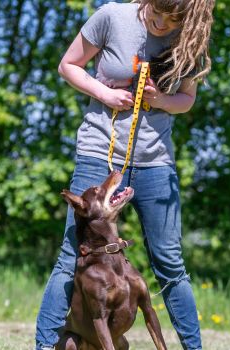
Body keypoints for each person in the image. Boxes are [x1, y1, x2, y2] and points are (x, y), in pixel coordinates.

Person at [35, 0, 214, 349]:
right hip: (98, 152)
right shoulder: (111, 16)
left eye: (171, 20)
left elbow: (187, 100)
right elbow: (68, 65)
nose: (161, 24)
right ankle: (45, 346)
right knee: (71, 256)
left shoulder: (190, 39)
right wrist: (104, 93)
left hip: (155, 160)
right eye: (156, 14)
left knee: (170, 262)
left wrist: (161, 99)